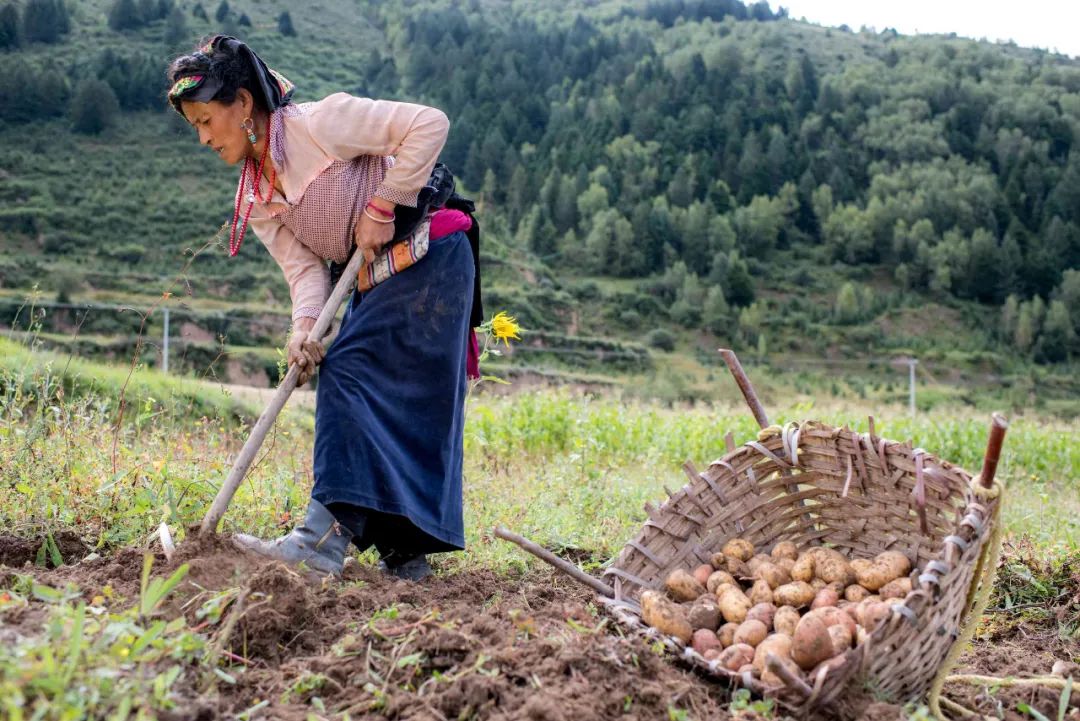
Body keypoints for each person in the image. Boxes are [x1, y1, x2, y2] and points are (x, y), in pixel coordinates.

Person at [167, 36, 482, 580]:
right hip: (375, 276)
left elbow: (429, 123)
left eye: (205, 120)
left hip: (432, 256)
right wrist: (305, 330)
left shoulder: (320, 124)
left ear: (243, 104)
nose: (202, 138)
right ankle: (404, 558)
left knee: (355, 376)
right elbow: (305, 272)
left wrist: (383, 204)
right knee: (382, 399)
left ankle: (319, 541)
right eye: (193, 126)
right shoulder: (256, 199)